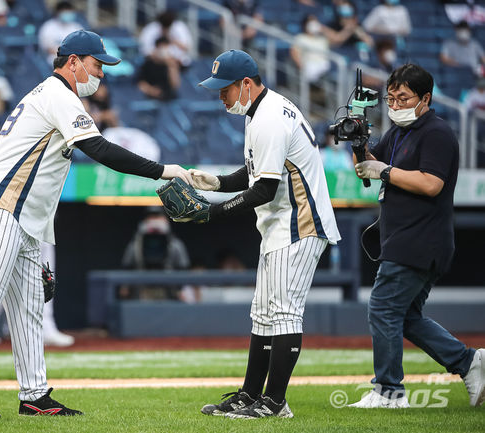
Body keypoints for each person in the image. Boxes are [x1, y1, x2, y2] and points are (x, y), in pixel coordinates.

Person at [0, 29, 191, 418]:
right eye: (96, 65)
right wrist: (162, 170)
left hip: (22, 218)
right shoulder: (58, 93)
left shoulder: (53, 95)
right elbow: (99, 148)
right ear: (73, 62)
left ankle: (34, 395)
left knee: (28, 311)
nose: (102, 74)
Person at [184, 50, 341, 419]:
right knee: (263, 315)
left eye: (226, 89)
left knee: (284, 315)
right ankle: (251, 395)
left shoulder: (268, 117)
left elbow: (264, 189)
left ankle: (274, 403)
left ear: (247, 84)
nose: (220, 96)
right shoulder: (265, 110)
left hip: (300, 224)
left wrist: (213, 211)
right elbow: (260, 171)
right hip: (281, 225)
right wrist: (219, 183)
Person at [351, 63, 485, 408]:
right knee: (405, 317)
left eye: (403, 97)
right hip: (404, 238)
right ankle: (469, 362)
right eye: (391, 98)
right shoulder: (397, 133)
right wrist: (356, 142)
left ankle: (388, 392)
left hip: (421, 239)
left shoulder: (436, 132)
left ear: (425, 98)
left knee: (382, 309)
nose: (395, 105)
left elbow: (431, 183)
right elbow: (368, 164)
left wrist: (386, 171)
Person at [120, 207, 190, 300]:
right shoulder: (136, 244)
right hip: (142, 290)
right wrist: (125, 287)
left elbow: (183, 267)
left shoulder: (174, 244)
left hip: (168, 290)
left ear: (164, 219)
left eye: (157, 216)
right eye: (151, 217)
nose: (154, 221)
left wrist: (180, 289)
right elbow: (127, 266)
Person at [38, 1, 84, 66]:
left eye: (69, 11)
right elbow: (48, 49)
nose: (68, 14)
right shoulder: (48, 27)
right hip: (54, 62)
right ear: (58, 12)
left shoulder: (77, 27)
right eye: (65, 12)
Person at [137, 36, 181, 101]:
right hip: (150, 98)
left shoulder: (171, 65)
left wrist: (171, 65)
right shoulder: (148, 63)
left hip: (168, 98)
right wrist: (151, 90)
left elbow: (175, 85)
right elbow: (141, 83)